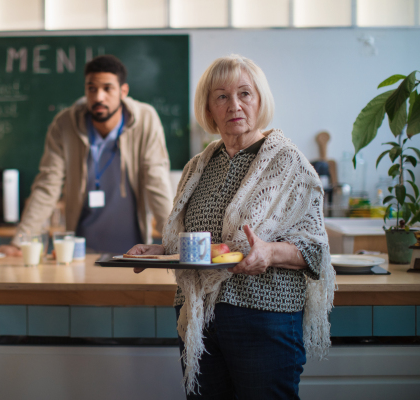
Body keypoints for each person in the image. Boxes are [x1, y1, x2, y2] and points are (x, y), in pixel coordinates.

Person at [127, 54, 336, 399]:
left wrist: (268, 253)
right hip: (200, 320)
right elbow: (198, 244)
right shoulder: (198, 167)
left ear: (259, 100)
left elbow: (316, 250)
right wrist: (161, 250)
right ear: (209, 108)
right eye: (222, 96)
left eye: (244, 94)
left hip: (264, 318)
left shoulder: (290, 163)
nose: (234, 105)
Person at [0, 55, 173, 256]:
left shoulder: (145, 120)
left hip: (132, 253)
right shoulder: (64, 124)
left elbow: (157, 182)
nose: (99, 97)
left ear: (123, 91)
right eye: (92, 88)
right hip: (79, 252)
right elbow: (47, 186)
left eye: (107, 88)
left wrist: (174, 241)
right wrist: (21, 240)